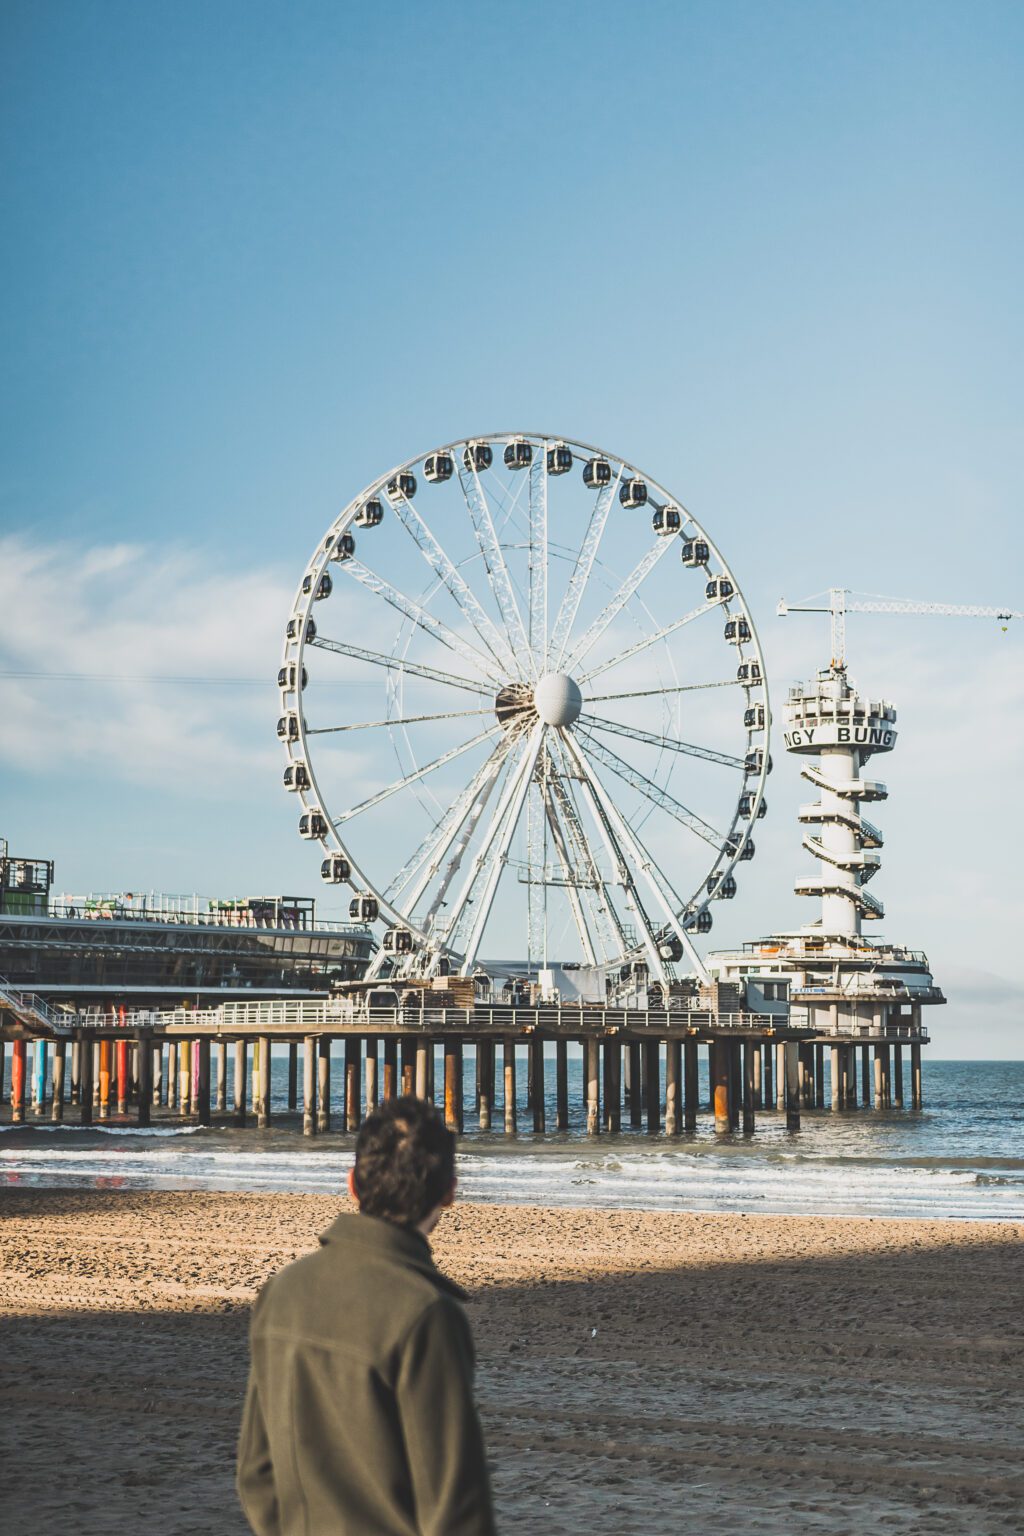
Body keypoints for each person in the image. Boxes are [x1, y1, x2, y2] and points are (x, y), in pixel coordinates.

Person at [237, 1094, 496, 1536]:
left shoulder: (281, 1291)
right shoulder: (427, 1314)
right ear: (450, 1193)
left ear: (353, 1184)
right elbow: (455, 1509)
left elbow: (256, 1473)